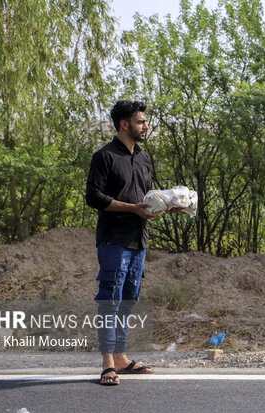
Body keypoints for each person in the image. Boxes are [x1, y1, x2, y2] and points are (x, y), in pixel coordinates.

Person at [85, 100, 178, 385]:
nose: (146, 126)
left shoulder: (144, 158)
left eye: (145, 122)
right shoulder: (104, 156)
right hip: (114, 240)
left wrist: (166, 206)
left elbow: (146, 199)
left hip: (139, 240)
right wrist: (132, 208)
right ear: (124, 124)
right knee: (110, 301)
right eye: (140, 122)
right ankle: (107, 363)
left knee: (128, 300)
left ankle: (122, 357)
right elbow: (94, 197)